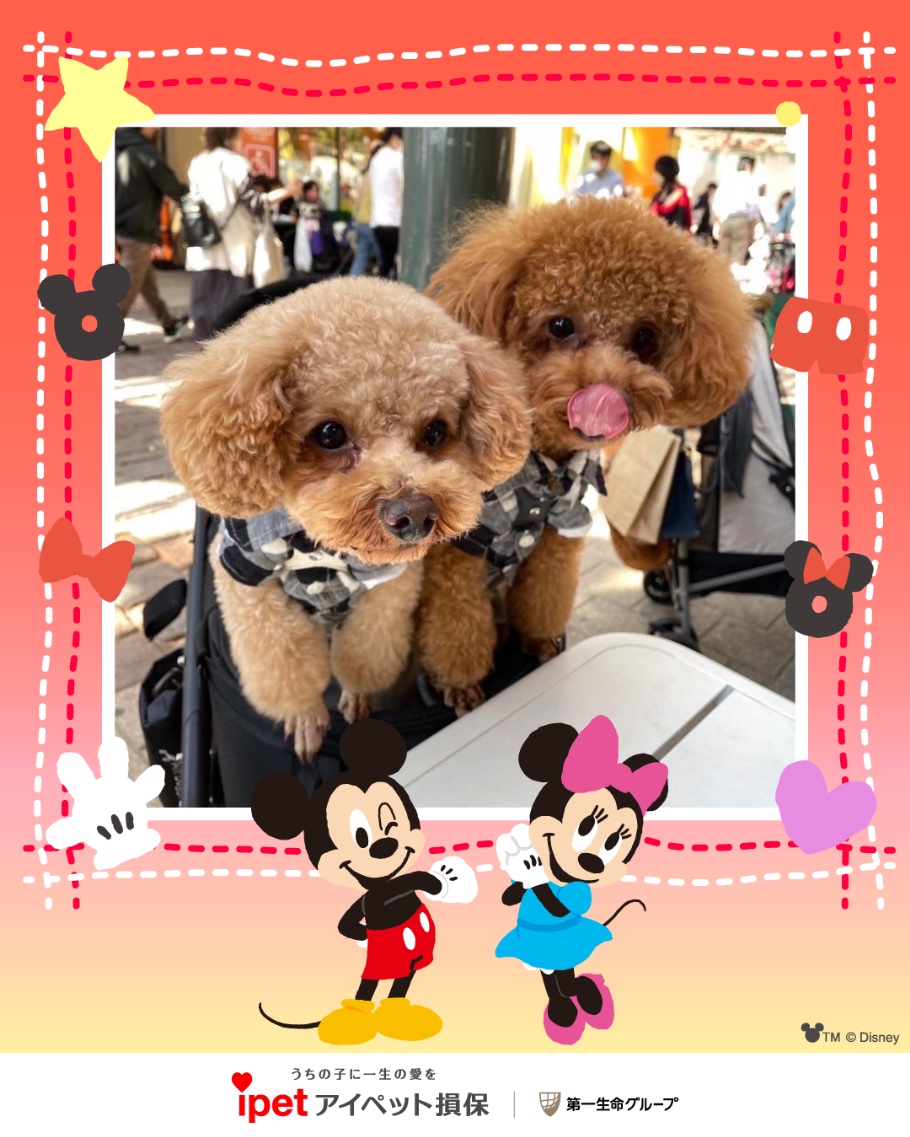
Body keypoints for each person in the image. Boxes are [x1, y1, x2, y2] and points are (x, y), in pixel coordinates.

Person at [184, 127, 301, 341]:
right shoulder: (235, 163)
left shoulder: (198, 162)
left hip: (204, 243)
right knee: (232, 309)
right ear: (230, 137)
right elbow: (255, 204)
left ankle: (204, 347)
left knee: (205, 305)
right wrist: (287, 192)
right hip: (234, 246)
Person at [114, 126, 190, 354]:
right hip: (136, 228)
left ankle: (168, 322)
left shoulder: (117, 147)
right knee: (128, 284)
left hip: (120, 224)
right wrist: (189, 197)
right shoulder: (143, 151)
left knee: (145, 282)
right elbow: (170, 185)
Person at [713, 156, 763, 265]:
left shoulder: (727, 179)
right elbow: (753, 208)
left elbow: (716, 204)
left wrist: (716, 224)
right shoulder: (750, 181)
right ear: (748, 167)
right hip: (741, 222)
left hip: (726, 220)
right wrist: (752, 229)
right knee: (736, 260)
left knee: (722, 259)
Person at [369, 128, 404, 279]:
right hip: (395, 219)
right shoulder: (398, 157)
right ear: (395, 138)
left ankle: (380, 291)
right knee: (399, 264)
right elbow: (404, 187)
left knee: (385, 262)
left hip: (377, 220)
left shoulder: (376, 159)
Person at [350, 141, 382, 277]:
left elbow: (358, 200)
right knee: (384, 260)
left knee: (361, 258)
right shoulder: (379, 174)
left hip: (361, 221)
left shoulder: (367, 173)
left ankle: (350, 284)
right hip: (373, 222)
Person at [649, 156, 692, 230]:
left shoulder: (680, 197)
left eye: (657, 172)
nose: (654, 176)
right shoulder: (658, 195)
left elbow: (679, 226)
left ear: (665, 174)